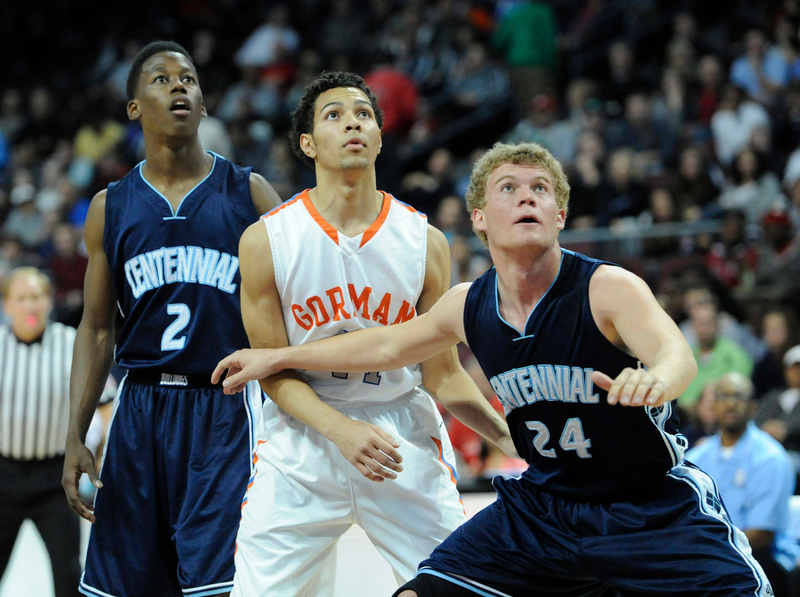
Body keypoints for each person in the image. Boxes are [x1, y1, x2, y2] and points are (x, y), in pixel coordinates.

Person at [215, 141, 774, 596]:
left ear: (560, 214)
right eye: (509, 188)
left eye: (540, 189)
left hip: (648, 505)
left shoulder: (607, 288)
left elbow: (676, 354)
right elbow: (383, 347)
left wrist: (655, 378)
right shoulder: (468, 304)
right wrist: (281, 355)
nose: (527, 197)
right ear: (480, 218)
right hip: (545, 507)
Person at [215, 71, 515, 596]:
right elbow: (273, 374)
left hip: (399, 432)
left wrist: (513, 438)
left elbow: (442, 375)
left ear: (379, 136)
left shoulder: (425, 242)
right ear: (308, 143)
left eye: (363, 114)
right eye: (333, 114)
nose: (352, 121)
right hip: (302, 437)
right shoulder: (266, 241)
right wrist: (341, 429)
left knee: (462, 587)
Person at [61, 41, 281, 597]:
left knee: (217, 588)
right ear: (134, 107)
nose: (178, 86)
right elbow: (95, 327)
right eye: (160, 79)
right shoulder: (111, 206)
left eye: (188, 79)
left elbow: (290, 319)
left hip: (225, 407)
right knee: (123, 587)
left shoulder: (250, 193)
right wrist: (75, 434)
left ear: (204, 104)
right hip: (138, 410)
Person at [0, 267, 111, 597]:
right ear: (6, 305)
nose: (29, 306)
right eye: (20, 299)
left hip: (56, 478)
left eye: (36, 297)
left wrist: (103, 453)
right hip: (2, 475)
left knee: (67, 571)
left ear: (50, 301)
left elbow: (106, 403)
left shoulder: (71, 344)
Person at [688, 372, 800, 597]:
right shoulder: (696, 458)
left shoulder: (771, 458)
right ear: (713, 405)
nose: (730, 403)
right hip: (709, 556)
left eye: (738, 397)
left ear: (754, 407)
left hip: (759, 559)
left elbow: (761, 535)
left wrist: (706, 551)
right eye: (723, 396)